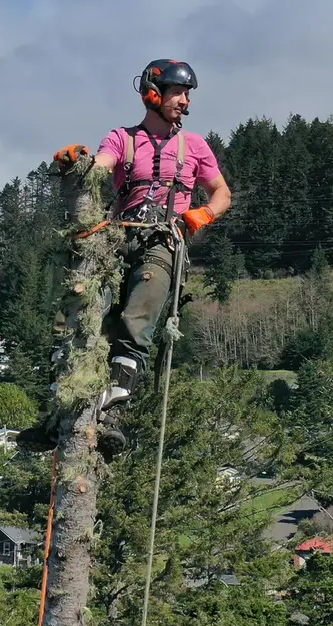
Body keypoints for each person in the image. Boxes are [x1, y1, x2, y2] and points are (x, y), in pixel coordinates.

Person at [50, 59, 232, 443]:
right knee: (81, 309)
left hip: (164, 241)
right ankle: (62, 406)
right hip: (119, 237)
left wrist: (202, 214)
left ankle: (115, 410)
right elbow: (101, 168)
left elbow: (222, 193)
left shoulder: (194, 146)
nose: (185, 101)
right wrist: (80, 164)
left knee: (137, 316)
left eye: (187, 94)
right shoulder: (122, 139)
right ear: (154, 93)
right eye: (178, 92)